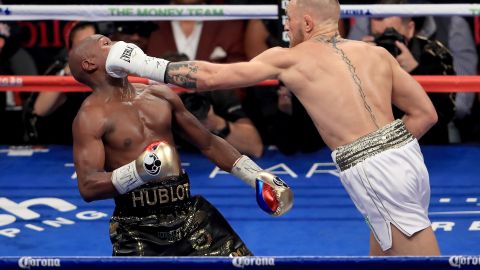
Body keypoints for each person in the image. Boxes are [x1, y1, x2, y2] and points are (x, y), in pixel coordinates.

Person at [105, 0, 441, 256]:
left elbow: (210, 77)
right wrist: (388, 150)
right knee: (386, 255)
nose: (286, 28)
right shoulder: (378, 53)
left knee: (426, 260)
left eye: (290, 20)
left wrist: (141, 63)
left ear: (307, 23)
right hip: (404, 157)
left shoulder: (290, 58)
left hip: (375, 169)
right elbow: (425, 114)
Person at [69, 35, 293, 256]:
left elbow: (208, 142)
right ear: (90, 64)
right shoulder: (91, 117)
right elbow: (88, 186)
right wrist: (141, 170)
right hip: (137, 227)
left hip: (189, 214)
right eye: (106, 44)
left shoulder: (159, 94)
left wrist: (255, 176)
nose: (117, 44)